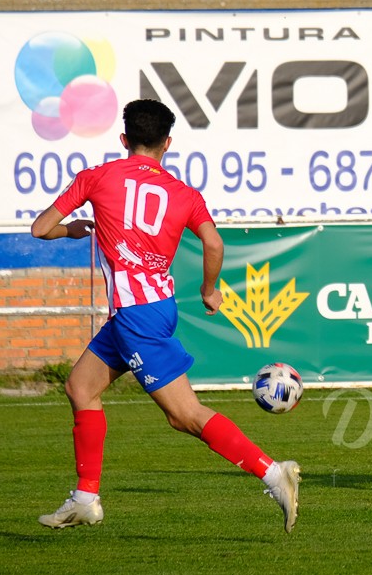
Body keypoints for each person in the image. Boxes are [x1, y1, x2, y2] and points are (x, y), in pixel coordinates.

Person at [31, 99, 301, 531]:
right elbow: (214, 245)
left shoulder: (95, 178)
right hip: (147, 310)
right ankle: (85, 498)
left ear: (124, 139)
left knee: (184, 414)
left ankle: (273, 472)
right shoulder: (185, 195)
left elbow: (40, 228)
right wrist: (209, 290)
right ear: (167, 144)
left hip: (136, 316)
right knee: (80, 387)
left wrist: (73, 228)